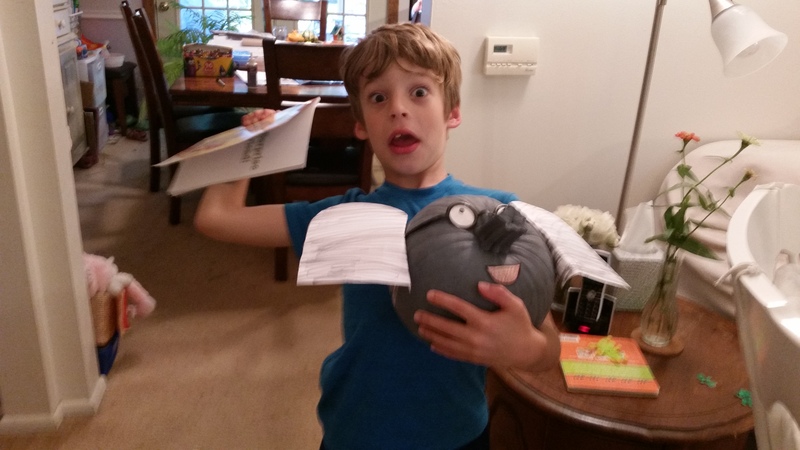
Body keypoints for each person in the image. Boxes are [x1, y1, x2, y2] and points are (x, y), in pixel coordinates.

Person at [194, 23, 561, 450]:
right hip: (358, 433)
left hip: (458, 434)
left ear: (453, 113)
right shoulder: (343, 217)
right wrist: (249, 144)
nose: (398, 109)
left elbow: (550, 346)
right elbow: (217, 218)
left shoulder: (499, 214)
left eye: (419, 92)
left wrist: (525, 348)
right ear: (361, 125)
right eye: (378, 98)